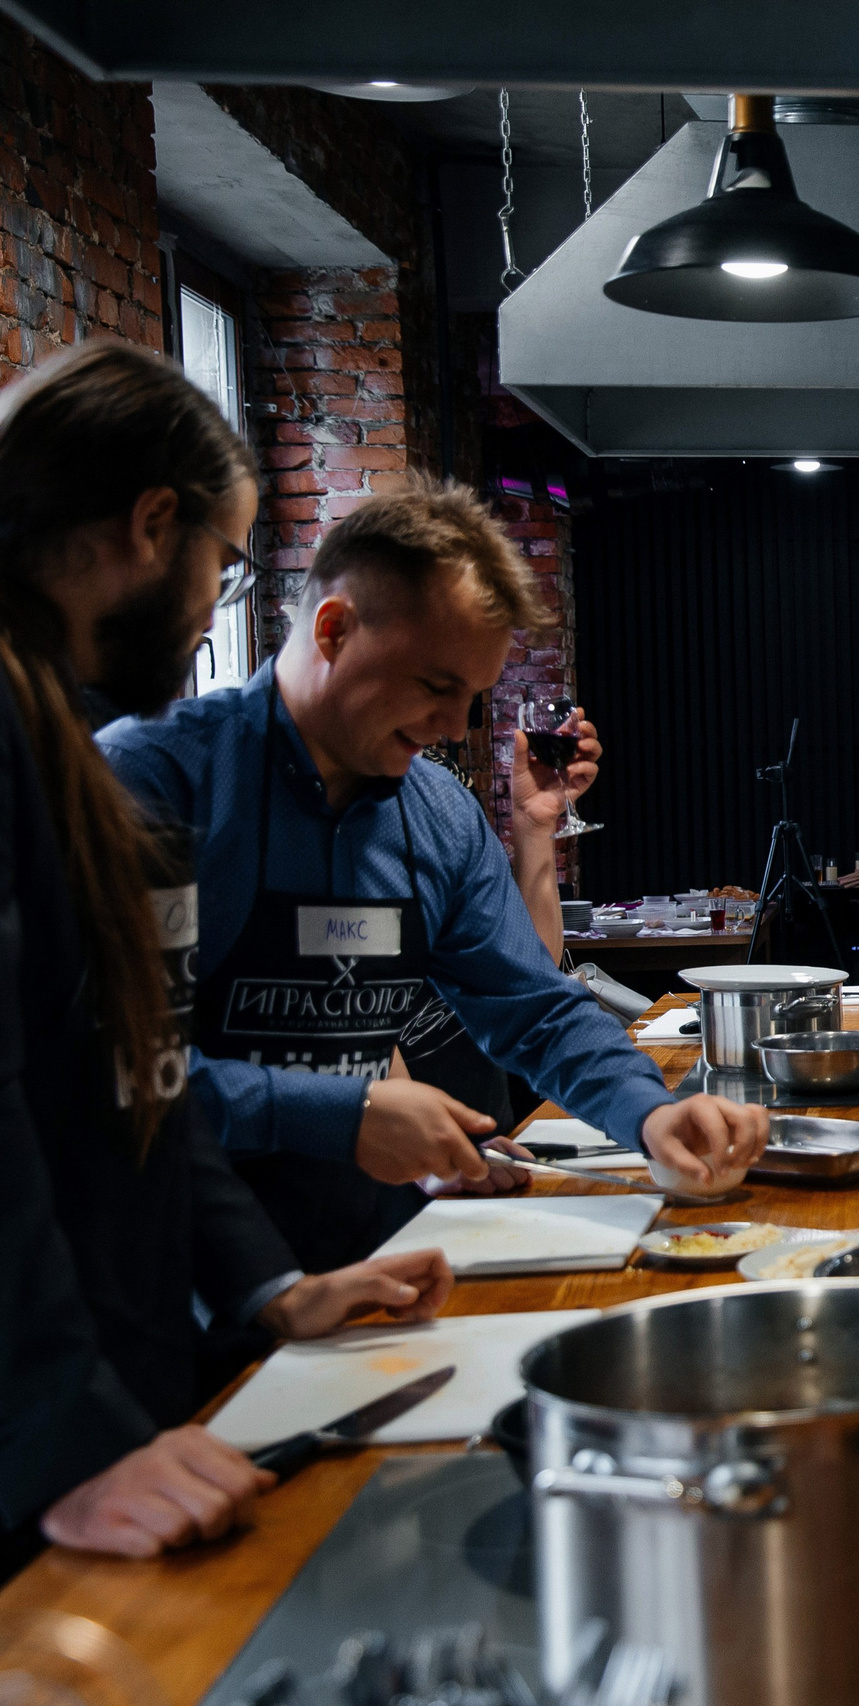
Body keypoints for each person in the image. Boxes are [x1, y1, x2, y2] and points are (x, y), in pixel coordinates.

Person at [0, 343, 456, 1569]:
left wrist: (266, 1286)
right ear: (153, 523)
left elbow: (137, 1069)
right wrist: (62, 1434)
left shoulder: (60, 727)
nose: (217, 602)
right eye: (225, 557)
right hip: (51, 1450)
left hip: (132, 1380)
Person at [102, 482, 765, 1273]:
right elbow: (116, 1075)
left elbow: (534, 1009)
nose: (455, 727)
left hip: (383, 1259)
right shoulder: (154, 780)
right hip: (180, 1282)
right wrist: (341, 1114)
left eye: (474, 697)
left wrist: (649, 1113)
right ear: (335, 628)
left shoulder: (437, 811)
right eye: (436, 685)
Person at [391, 699, 603, 1129]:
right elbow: (358, 1030)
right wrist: (419, 1138)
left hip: (487, 1130)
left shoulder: (447, 795)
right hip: (407, 1155)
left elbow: (532, 963)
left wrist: (533, 826)